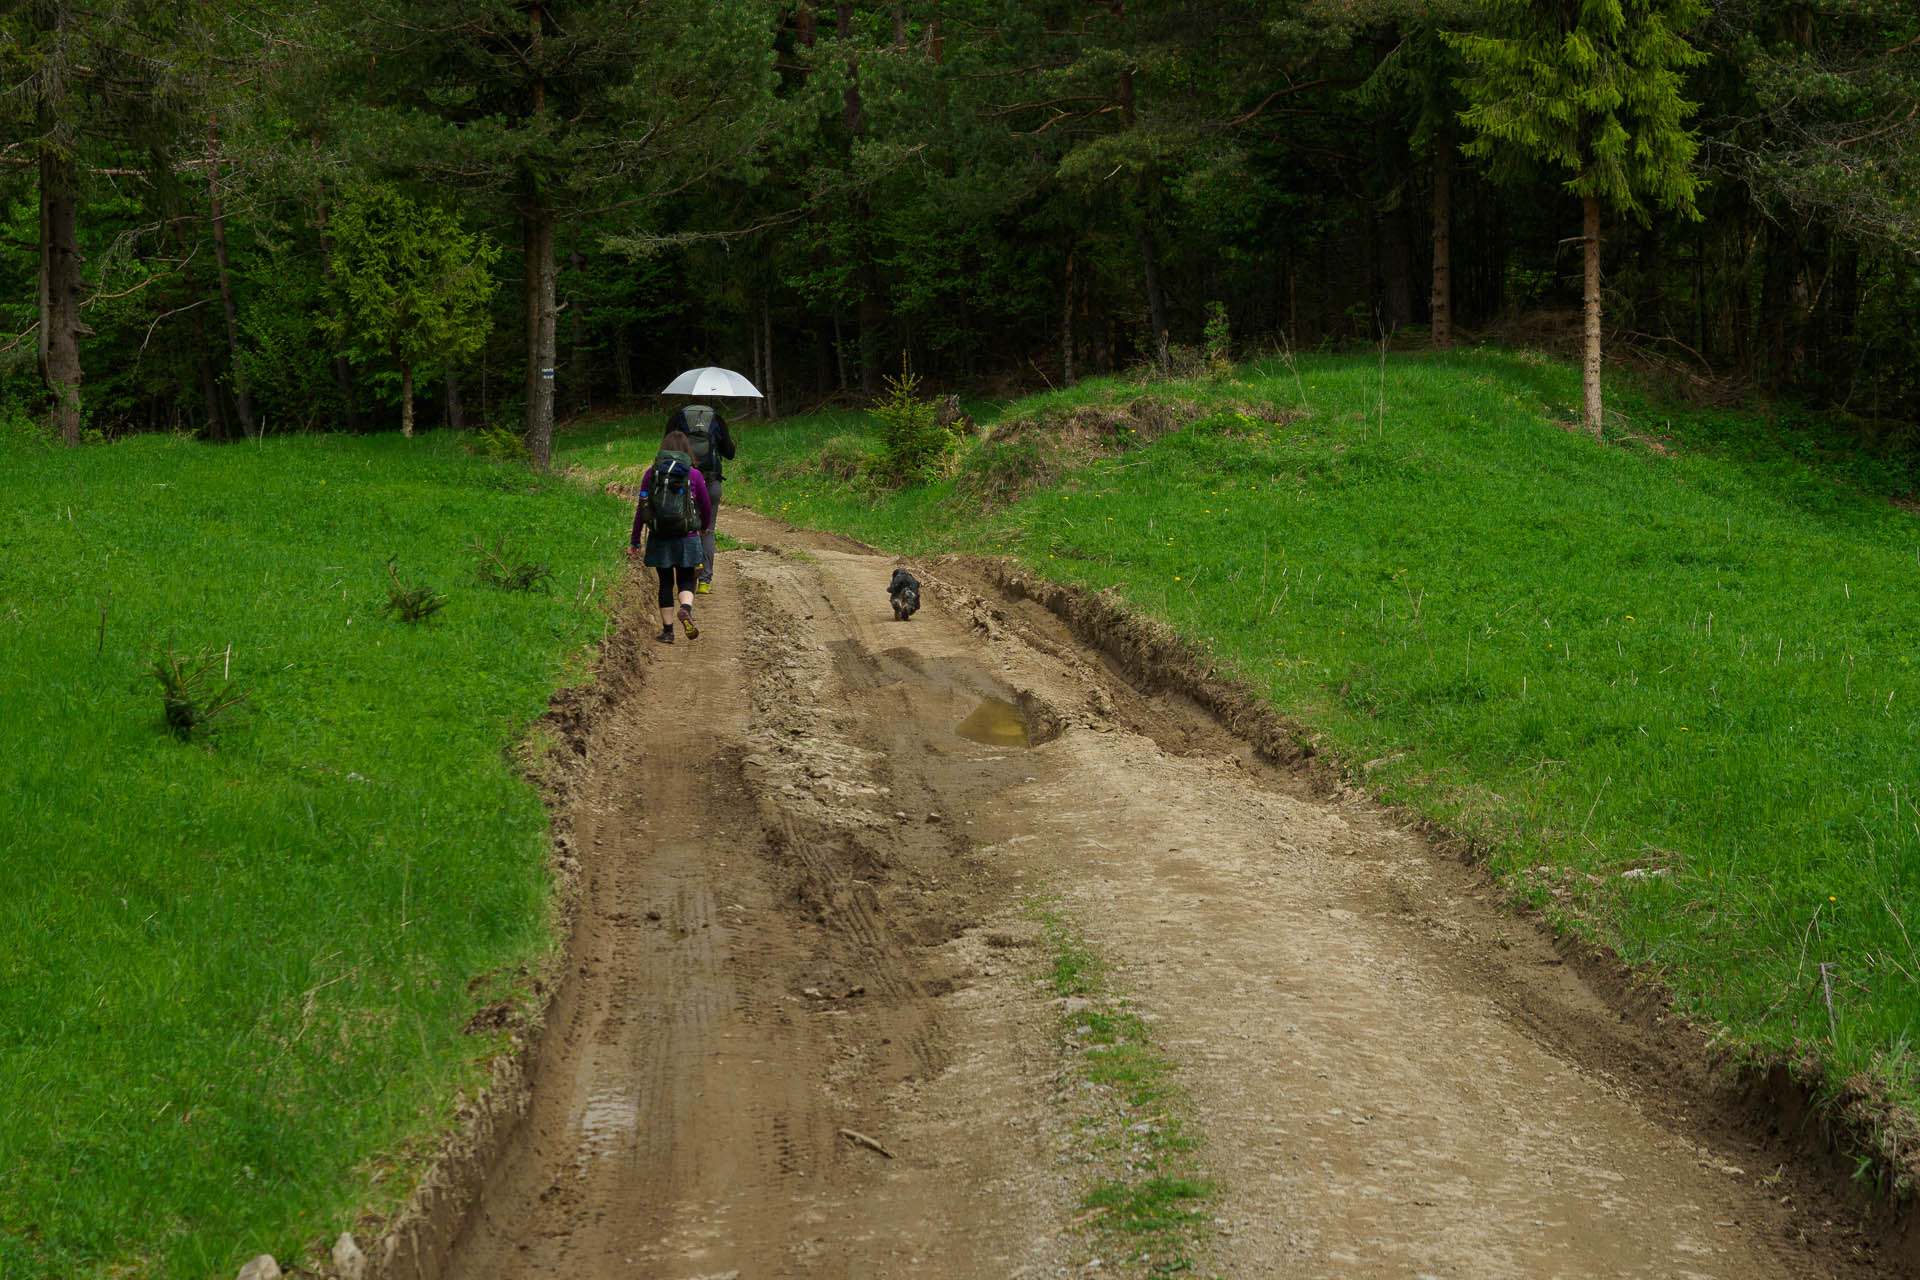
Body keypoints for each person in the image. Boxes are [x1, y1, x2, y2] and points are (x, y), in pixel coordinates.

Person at [629, 429, 713, 644]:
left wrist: (635, 540)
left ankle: (668, 632)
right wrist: (702, 527)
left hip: (660, 537)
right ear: (687, 450)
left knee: (665, 582)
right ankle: (685, 609)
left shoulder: (651, 474)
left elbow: (642, 507)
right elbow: (705, 505)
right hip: (688, 536)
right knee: (686, 578)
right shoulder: (694, 475)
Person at [666, 402, 736, 593]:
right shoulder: (716, 419)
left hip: (684, 481)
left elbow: (666, 450)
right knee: (708, 530)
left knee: (684, 527)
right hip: (712, 482)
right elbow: (730, 453)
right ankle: (705, 581)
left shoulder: (677, 418)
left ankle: (688, 573)